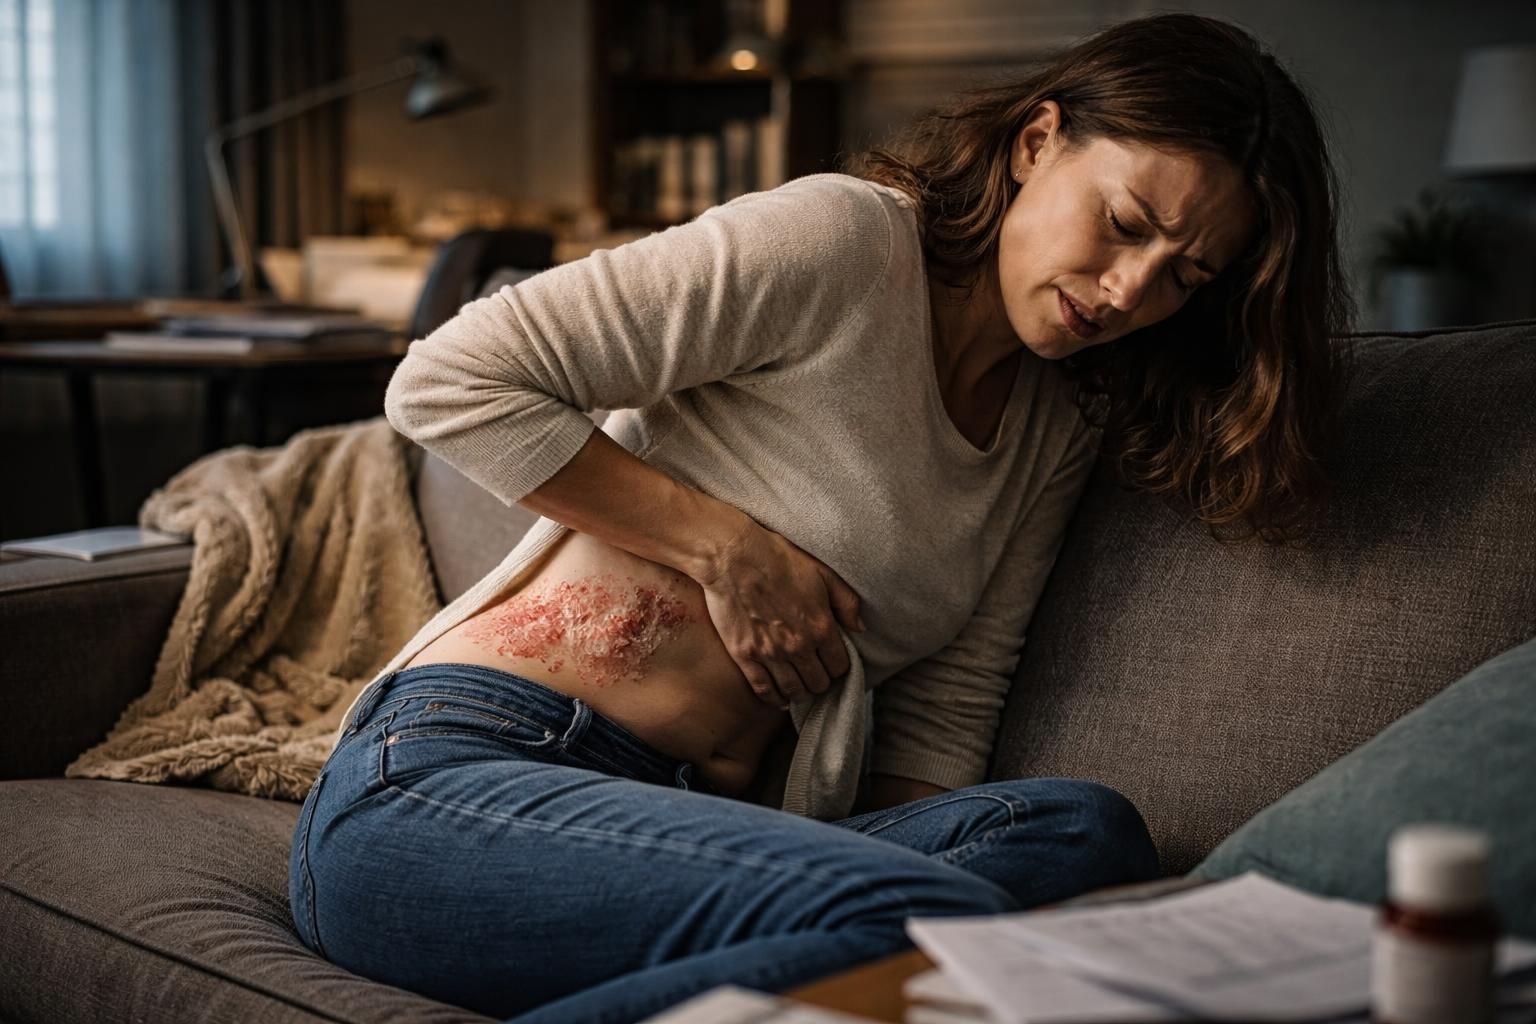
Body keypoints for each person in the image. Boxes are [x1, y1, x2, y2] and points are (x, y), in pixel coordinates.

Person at [288, 13, 1354, 1023]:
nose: (1129, 292)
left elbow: (949, 699)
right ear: (1039, 141)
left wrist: (861, 872)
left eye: (1186, 276)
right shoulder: (842, 242)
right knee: (939, 930)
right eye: (1125, 224)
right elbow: (450, 381)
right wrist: (726, 546)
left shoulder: (1057, 421)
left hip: (725, 832)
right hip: (457, 778)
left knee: (1082, 835)